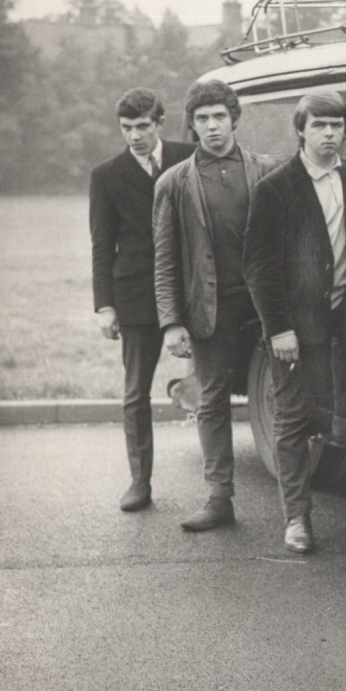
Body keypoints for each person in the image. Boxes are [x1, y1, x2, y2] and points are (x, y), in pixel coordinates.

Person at [243, 91, 346, 554]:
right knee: (294, 419)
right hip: (296, 325)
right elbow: (260, 268)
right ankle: (297, 517)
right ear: (300, 129)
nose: (328, 134)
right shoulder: (275, 188)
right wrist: (278, 328)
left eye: (336, 125)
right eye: (318, 125)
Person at [153, 79, 275, 532]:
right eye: (202, 119)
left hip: (265, 308)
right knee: (212, 401)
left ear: (234, 118)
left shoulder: (266, 171)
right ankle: (219, 498)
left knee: (287, 399)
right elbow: (164, 259)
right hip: (210, 310)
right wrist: (171, 323)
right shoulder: (175, 182)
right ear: (192, 125)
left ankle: (297, 509)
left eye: (219, 116)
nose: (212, 126)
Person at [89, 88, 195, 512]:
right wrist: (104, 306)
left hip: (191, 289)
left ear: (160, 123)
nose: (134, 136)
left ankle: (217, 489)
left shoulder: (191, 157)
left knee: (212, 386)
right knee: (135, 394)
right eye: (126, 128)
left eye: (142, 127)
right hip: (135, 296)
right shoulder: (106, 175)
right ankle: (140, 482)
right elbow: (102, 245)